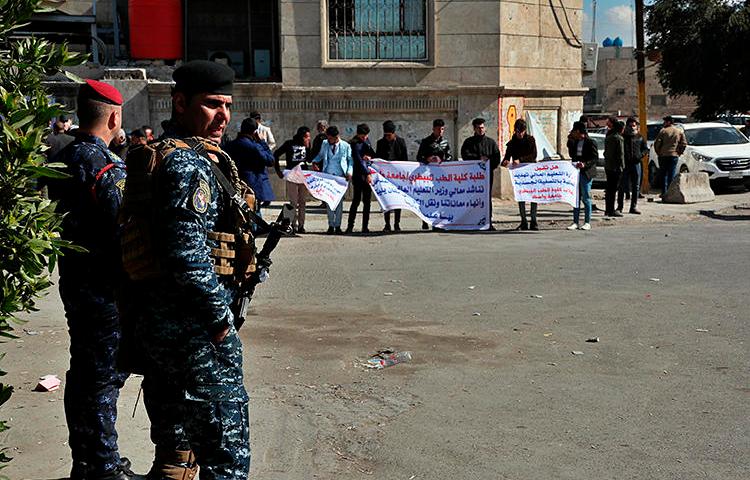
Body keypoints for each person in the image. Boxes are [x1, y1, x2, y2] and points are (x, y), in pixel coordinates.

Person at [122, 60, 251, 480]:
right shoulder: (188, 165)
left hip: (160, 325)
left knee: (177, 451)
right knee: (225, 458)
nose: (223, 116)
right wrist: (220, 323)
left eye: (228, 106)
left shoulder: (162, 154)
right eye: (212, 104)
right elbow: (187, 253)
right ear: (180, 103)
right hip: (194, 332)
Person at [46, 80, 138, 480]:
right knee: (102, 377)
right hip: (105, 288)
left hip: (75, 281)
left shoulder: (62, 157)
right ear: (114, 116)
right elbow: (126, 226)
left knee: (82, 372)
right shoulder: (105, 165)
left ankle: (85, 460)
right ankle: (102, 465)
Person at [224, 117, 276, 217]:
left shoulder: (230, 145)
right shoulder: (254, 147)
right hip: (252, 188)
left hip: (234, 187)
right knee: (254, 217)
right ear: (255, 131)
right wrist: (262, 142)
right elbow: (270, 160)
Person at [462, 117, 501, 229]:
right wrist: (478, 158)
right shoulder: (468, 142)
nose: (481, 130)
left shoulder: (491, 142)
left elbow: (496, 158)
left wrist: (488, 164)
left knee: (486, 198)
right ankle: (472, 221)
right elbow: (465, 156)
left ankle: (488, 221)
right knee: (472, 197)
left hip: (487, 176)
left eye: (482, 127)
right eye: (478, 128)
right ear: (474, 129)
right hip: (473, 177)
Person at [312, 125, 352, 234]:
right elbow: (320, 155)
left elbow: (350, 161)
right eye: (328, 138)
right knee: (329, 202)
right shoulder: (325, 144)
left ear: (336, 136)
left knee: (339, 203)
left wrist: (349, 172)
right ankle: (330, 225)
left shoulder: (346, 146)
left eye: (330, 138)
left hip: (340, 177)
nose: (329, 140)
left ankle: (338, 225)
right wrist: (314, 162)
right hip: (328, 175)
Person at [501, 119, 538, 230]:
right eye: (518, 131)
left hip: (531, 171)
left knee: (533, 196)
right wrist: (505, 162)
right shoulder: (512, 143)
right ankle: (523, 221)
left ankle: (534, 220)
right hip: (519, 174)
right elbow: (507, 157)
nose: (520, 134)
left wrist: (520, 160)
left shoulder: (530, 140)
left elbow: (533, 155)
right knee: (521, 196)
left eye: (521, 131)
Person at [274, 126, 312, 233]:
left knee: (302, 202)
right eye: (306, 137)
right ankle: (292, 225)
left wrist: (308, 147)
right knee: (293, 202)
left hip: (303, 176)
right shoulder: (289, 144)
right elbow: (276, 154)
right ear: (301, 136)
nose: (308, 139)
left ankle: (301, 225)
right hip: (292, 175)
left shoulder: (307, 145)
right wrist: (278, 171)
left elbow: (309, 159)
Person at [417, 119, 452, 229]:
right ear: (433, 129)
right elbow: (419, 157)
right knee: (427, 198)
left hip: (440, 176)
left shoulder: (445, 143)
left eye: (442, 129)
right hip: (427, 175)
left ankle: (437, 222)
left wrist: (442, 160)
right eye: (438, 129)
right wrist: (428, 159)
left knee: (440, 198)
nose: (440, 131)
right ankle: (425, 220)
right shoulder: (426, 141)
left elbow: (449, 157)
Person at [375, 120, 408, 231]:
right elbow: (377, 159)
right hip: (385, 177)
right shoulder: (380, 143)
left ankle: (397, 224)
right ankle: (387, 224)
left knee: (397, 200)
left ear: (394, 133)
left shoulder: (401, 142)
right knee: (386, 200)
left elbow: (405, 160)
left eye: (389, 135)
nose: (387, 137)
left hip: (397, 178)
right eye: (385, 135)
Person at [567, 122, 598, 230]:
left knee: (586, 197)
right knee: (576, 198)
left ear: (579, 132)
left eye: (574, 131)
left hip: (586, 173)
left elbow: (595, 158)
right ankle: (575, 222)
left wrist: (585, 164)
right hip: (576, 173)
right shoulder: (575, 142)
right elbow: (572, 155)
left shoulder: (591, 142)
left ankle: (587, 222)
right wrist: (570, 140)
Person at [346, 123, 376, 233]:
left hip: (367, 175)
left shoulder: (367, 141)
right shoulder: (354, 144)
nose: (364, 138)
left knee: (367, 202)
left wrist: (369, 157)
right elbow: (358, 161)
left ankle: (365, 226)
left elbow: (372, 154)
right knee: (356, 200)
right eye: (362, 136)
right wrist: (367, 173)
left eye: (366, 136)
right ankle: (350, 226)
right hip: (359, 175)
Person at [618, 117, 648, 214]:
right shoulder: (622, 137)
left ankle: (633, 207)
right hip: (625, 165)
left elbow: (645, 149)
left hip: (636, 164)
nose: (632, 128)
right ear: (627, 126)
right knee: (622, 186)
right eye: (630, 126)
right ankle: (619, 207)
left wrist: (640, 155)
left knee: (636, 187)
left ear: (636, 126)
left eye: (634, 126)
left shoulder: (639, 137)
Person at [653, 115, 687, 196]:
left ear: (668, 122)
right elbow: (684, 143)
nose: (663, 123)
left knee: (664, 174)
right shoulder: (679, 131)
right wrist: (679, 152)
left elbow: (657, 144)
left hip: (663, 155)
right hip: (674, 155)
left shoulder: (663, 131)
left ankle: (664, 192)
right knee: (672, 173)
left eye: (665, 121)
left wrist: (659, 153)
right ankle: (670, 192)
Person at [603, 120, 625, 217]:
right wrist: (622, 166)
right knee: (613, 190)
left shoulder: (608, 137)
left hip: (608, 166)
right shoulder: (618, 138)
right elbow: (621, 154)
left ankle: (608, 209)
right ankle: (611, 210)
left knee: (609, 189)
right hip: (616, 167)